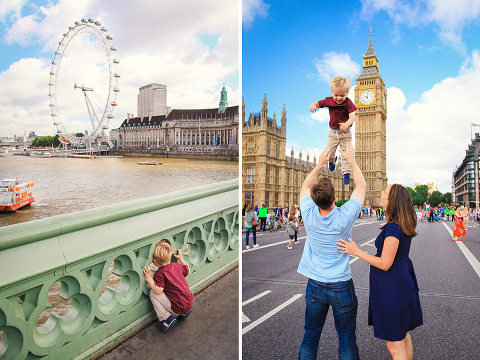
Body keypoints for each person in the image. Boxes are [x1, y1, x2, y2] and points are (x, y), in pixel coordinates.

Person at [337, 184, 423, 360]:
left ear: (392, 200)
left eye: (385, 192)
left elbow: (385, 263)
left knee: (394, 344)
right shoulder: (401, 224)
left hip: (393, 289)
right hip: (401, 283)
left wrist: (357, 251)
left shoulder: (393, 227)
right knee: (403, 335)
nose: (382, 193)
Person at [297, 143, 365, 360]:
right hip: (341, 285)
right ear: (335, 198)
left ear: (314, 199)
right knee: (346, 339)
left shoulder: (308, 213)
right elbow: (361, 186)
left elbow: (305, 186)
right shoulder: (345, 216)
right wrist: (351, 161)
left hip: (315, 285)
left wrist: (319, 164)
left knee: (310, 337)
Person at [309, 76, 357, 185]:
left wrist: (346, 124)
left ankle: (346, 173)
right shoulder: (328, 100)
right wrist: (313, 104)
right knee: (329, 152)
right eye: (336, 95)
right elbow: (317, 104)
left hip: (345, 134)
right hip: (333, 133)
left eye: (342, 95)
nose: (339, 98)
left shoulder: (348, 103)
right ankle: (332, 160)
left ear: (347, 93)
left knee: (346, 154)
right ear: (332, 92)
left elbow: (352, 117)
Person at [143, 241, 194, 332]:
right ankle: (184, 313)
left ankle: (167, 318)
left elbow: (158, 291)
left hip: (177, 308)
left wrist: (149, 277)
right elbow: (188, 271)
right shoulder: (177, 265)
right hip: (189, 303)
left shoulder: (159, 273)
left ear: (154, 261)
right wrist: (181, 259)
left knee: (152, 293)